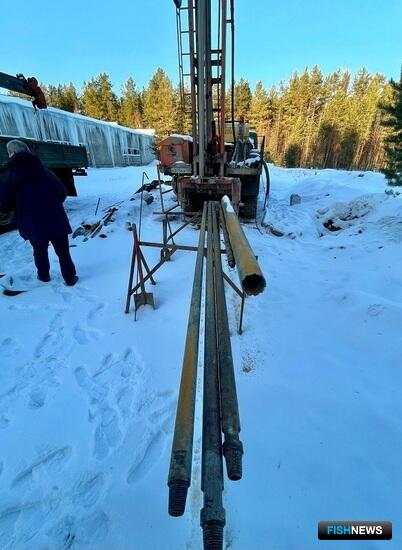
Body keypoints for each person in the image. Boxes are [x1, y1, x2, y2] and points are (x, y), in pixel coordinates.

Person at [0, 140, 78, 286]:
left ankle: (43, 276)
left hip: (32, 222)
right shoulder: (45, 170)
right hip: (56, 219)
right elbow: (62, 193)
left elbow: (4, 203)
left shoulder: (10, 175)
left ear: (14, 153)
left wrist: (19, 208)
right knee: (63, 252)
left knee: (39, 251)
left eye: (9, 152)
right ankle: (70, 278)